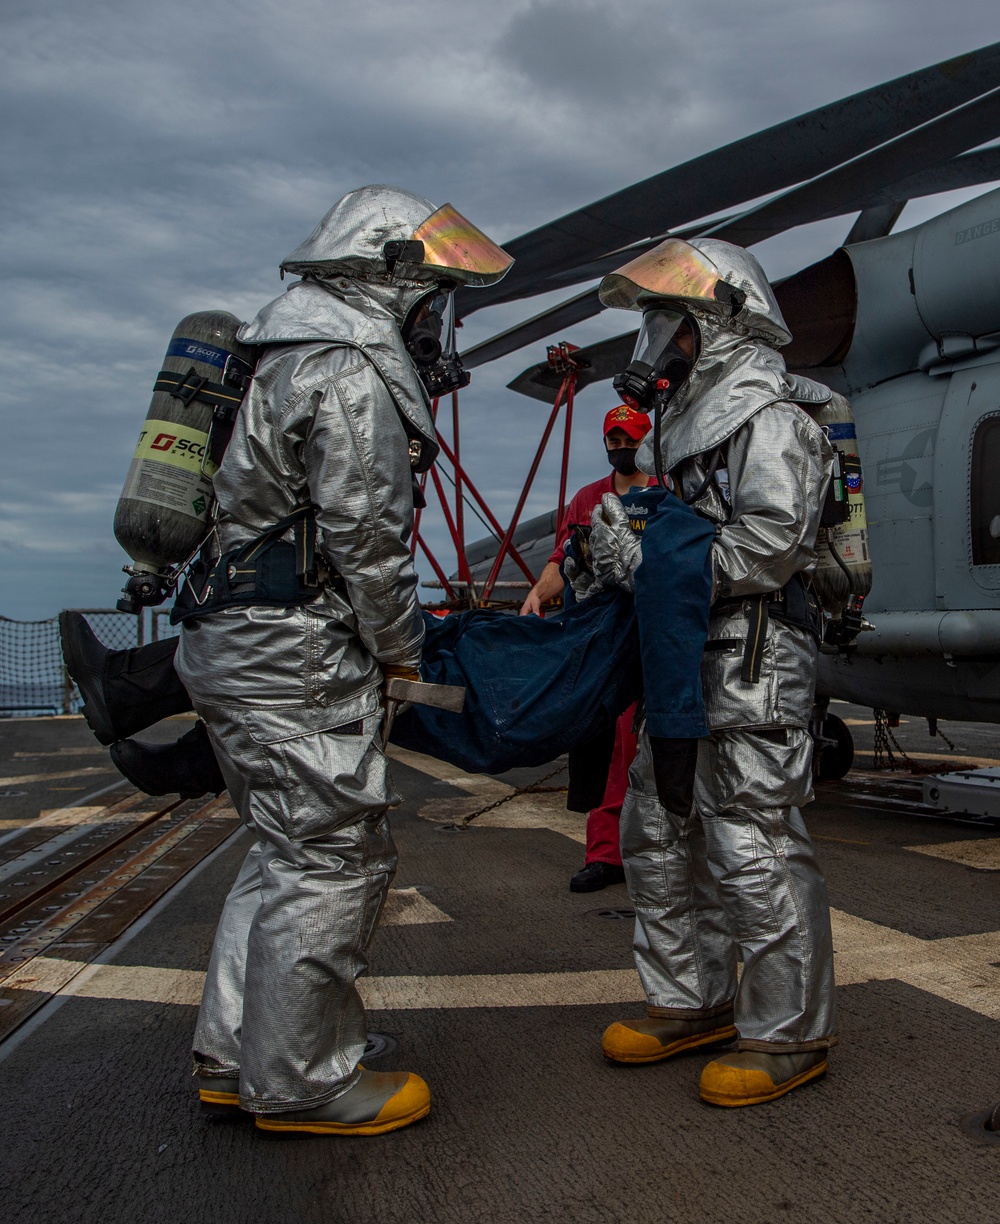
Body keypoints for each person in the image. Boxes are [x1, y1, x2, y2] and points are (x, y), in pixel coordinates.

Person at [163, 185, 512, 1135]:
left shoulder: (273, 355)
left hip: (232, 637)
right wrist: (406, 651)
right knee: (333, 860)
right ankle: (304, 1077)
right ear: (387, 277)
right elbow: (368, 539)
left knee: (283, 848)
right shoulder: (350, 369)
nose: (436, 318)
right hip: (298, 651)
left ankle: (239, 1052)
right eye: (431, 293)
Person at [589, 236, 837, 1107]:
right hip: (680, 659)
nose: (658, 341)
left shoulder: (771, 418)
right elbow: (674, 532)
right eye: (653, 323)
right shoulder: (677, 423)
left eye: (673, 322)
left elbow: (769, 547)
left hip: (751, 659)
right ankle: (691, 1001)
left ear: (722, 321)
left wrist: (645, 562)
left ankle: (787, 1031)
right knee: (655, 834)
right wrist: (626, 543)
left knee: (752, 842)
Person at [519, 405, 650, 893]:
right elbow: (562, 557)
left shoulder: (662, 491)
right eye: (613, 440)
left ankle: (660, 851)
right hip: (601, 641)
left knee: (649, 747)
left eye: (628, 439)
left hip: (651, 635)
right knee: (605, 747)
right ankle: (605, 854)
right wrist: (538, 593)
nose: (620, 448)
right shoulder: (587, 499)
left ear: (645, 439)